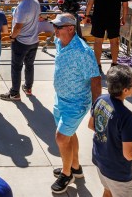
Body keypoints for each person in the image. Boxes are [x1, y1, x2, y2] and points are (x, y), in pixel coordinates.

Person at [50, 13, 101, 194]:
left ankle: (66, 174)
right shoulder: (59, 42)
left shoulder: (83, 52)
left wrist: (96, 111)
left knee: (61, 137)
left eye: (58, 27)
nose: (54, 30)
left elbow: (95, 80)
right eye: (54, 26)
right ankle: (75, 167)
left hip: (76, 102)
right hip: (61, 99)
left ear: (71, 29)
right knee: (69, 135)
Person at [89, 65, 132, 197]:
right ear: (125, 90)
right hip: (117, 172)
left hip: (99, 161)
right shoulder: (127, 117)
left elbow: (91, 125)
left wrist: (108, 134)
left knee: (108, 192)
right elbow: (129, 154)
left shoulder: (101, 99)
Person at [84, 0, 129, 74]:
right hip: (113, 18)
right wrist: (124, 17)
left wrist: (86, 15)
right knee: (114, 42)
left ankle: (98, 64)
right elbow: (125, 5)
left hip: (98, 17)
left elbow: (90, 3)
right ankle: (114, 63)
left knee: (98, 41)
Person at [0, 0, 40, 102]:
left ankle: (14, 93)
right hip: (34, 40)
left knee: (16, 67)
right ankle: (28, 88)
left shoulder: (23, 6)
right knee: (29, 65)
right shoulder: (35, 1)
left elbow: (18, 27)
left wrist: (12, 37)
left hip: (22, 42)